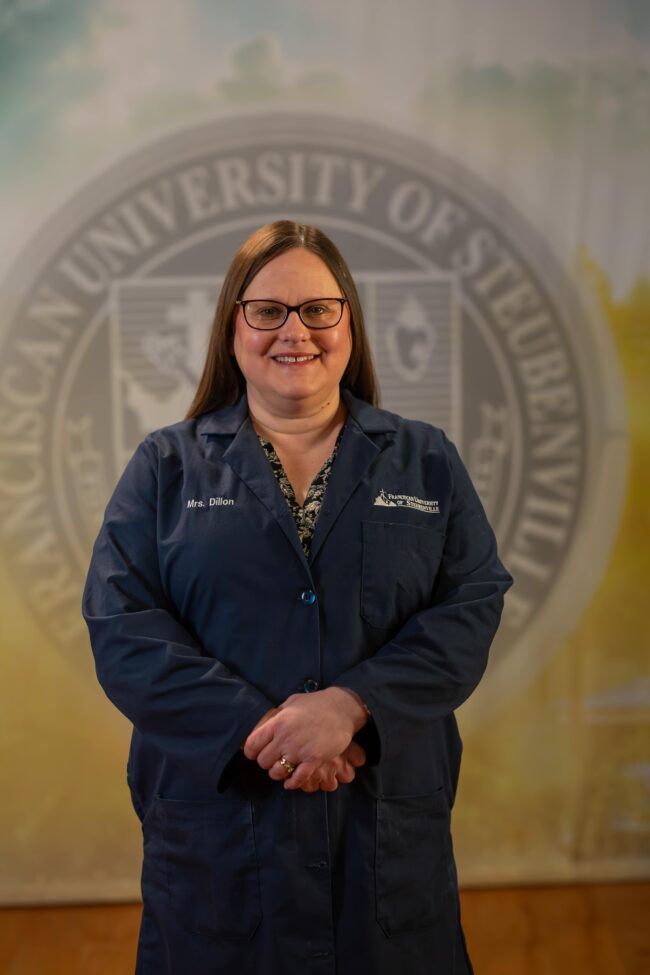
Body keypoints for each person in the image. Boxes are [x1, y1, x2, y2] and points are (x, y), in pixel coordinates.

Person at [82, 220, 513, 975]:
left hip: (384, 833)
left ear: (348, 321)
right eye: (269, 310)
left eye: (318, 308)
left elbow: (472, 602)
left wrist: (351, 706)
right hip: (219, 838)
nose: (296, 331)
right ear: (232, 324)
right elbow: (123, 628)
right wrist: (269, 732)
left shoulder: (426, 460)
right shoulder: (165, 467)